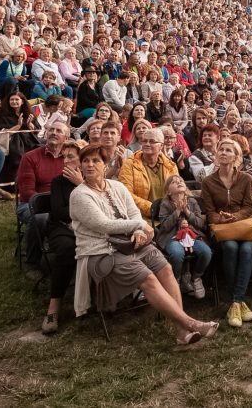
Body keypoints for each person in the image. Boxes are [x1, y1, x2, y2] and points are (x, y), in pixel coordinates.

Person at [69, 145, 218, 344]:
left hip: (130, 244)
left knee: (165, 267)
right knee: (147, 277)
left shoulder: (117, 187)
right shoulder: (79, 195)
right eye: (85, 161)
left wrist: (139, 230)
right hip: (102, 251)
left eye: (95, 161)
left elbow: (133, 215)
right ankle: (190, 324)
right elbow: (102, 225)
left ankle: (181, 331)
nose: (89, 165)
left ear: (105, 165)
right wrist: (139, 225)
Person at [200, 138, 252, 328]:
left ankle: (235, 301)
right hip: (222, 228)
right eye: (221, 150)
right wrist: (221, 218)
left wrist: (235, 216)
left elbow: (250, 207)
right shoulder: (208, 181)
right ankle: (239, 302)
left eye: (228, 150)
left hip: (244, 225)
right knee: (231, 247)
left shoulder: (245, 178)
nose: (224, 153)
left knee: (247, 250)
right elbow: (209, 212)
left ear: (236, 156)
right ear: (216, 155)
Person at [41, 140, 85, 334]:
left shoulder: (90, 179)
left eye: (71, 157)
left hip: (87, 227)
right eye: (64, 157)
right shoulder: (58, 182)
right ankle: (54, 307)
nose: (65, 161)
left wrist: (81, 185)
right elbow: (60, 212)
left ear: (81, 160)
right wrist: (85, 208)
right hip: (62, 228)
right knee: (68, 249)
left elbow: (101, 204)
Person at [16, 120, 69, 273]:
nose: (54, 132)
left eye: (59, 131)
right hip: (33, 204)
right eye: (51, 129)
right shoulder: (30, 157)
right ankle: (32, 262)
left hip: (62, 204)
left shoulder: (69, 158)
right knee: (41, 218)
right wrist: (54, 205)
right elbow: (27, 193)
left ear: (66, 138)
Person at [155, 176, 212, 298]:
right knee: (176, 253)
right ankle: (176, 279)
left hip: (192, 236)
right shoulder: (165, 203)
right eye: (174, 182)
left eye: (181, 181)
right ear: (169, 191)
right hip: (173, 237)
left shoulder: (192, 201)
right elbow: (164, 227)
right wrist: (177, 211)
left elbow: (200, 223)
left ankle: (196, 277)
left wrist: (186, 211)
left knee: (206, 252)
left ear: (185, 187)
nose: (179, 182)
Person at [118, 128, 178, 217]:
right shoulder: (129, 164)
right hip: (139, 216)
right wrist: (152, 209)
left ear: (161, 146)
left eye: (152, 141)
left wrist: (169, 209)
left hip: (168, 215)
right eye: (144, 141)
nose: (147, 144)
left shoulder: (170, 165)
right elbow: (126, 194)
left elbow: (177, 191)